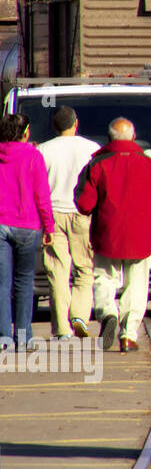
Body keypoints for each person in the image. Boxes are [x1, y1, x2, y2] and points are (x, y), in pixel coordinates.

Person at [74, 117, 151, 352]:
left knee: (104, 278)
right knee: (136, 284)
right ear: (133, 136)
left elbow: (84, 203)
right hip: (140, 237)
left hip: (107, 235)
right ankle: (128, 335)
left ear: (110, 138)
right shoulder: (149, 164)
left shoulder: (97, 164)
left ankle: (108, 312)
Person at [37, 106, 100, 339]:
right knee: (85, 268)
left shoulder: (43, 150)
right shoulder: (92, 149)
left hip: (52, 215)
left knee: (58, 273)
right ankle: (80, 315)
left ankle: (62, 329)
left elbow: (38, 187)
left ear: (54, 126)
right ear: (76, 123)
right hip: (83, 214)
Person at [0, 114, 55, 351]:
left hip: (1, 223)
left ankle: (3, 337)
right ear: (25, 132)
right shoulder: (33, 156)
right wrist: (48, 226)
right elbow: (41, 195)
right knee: (24, 281)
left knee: (2, 284)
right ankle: (23, 336)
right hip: (27, 224)